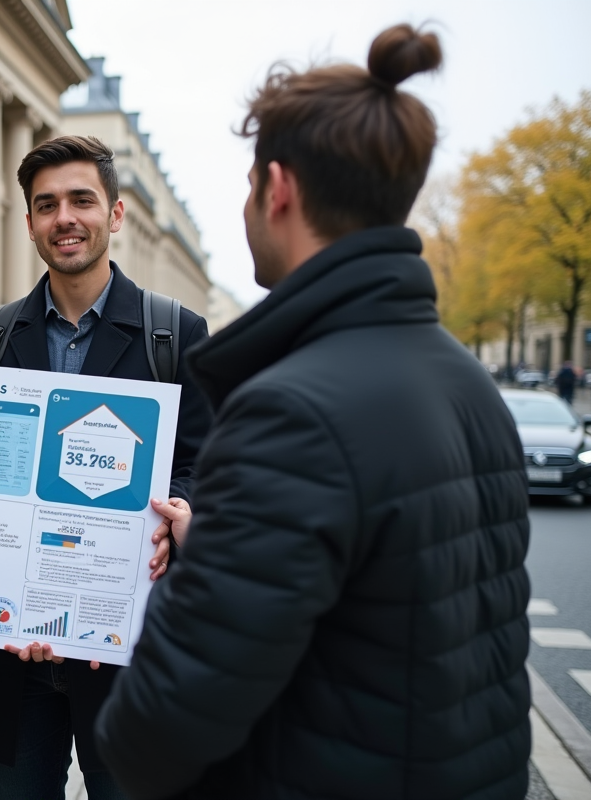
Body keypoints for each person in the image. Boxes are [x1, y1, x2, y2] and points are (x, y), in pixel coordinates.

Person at [94, 25, 531, 800]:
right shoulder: (468, 380)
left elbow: (158, 728)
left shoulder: (289, 411)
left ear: (278, 189)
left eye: (247, 187)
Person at [0, 135, 214, 800]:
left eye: (81, 200)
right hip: (12, 658)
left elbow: (206, 466)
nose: (64, 218)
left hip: (126, 654)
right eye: (47, 205)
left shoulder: (175, 333)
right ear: (30, 222)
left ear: (115, 214)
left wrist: (177, 513)